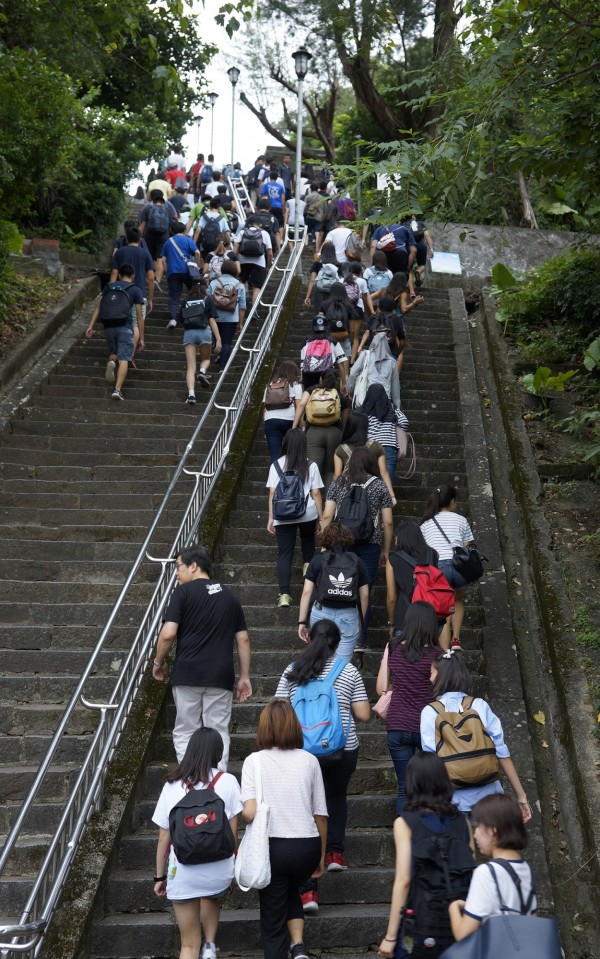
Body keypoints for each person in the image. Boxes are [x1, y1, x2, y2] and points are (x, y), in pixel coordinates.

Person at [276, 620, 370, 913]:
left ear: (309, 639)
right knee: (335, 798)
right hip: (342, 749)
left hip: (301, 753)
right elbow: (364, 714)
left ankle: (307, 893)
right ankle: (334, 855)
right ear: (337, 643)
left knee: (305, 812)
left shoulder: (293, 671)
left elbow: (278, 712)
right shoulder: (348, 670)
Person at [241, 699, 327, 959]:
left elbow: (250, 813)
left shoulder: (253, 761)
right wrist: (321, 856)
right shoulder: (310, 760)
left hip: (273, 848)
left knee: (272, 918)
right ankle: (298, 948)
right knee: (290, 890)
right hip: (307, 846)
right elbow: (320, 814)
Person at [152, 545, 252, 766]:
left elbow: (168, 634)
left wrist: (159, 661)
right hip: (220, 676)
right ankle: (217, 782)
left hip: (187, 673)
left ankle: (190, 782)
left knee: (186, 730)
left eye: (178, 567)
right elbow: (243, 640)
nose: (176, 573)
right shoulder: (230, 597)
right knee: (218, 730)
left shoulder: (182, 593)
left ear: (193, 566)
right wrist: (244, 677)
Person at [152, 728, 242, 959]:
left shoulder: (172, 785)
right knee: (211, 891)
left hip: (182, 872)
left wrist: (160, 878)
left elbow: (164, 838)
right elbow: (232, 835)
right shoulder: (229, 781)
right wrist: (232, 873)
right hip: (219, 870)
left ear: (190, 750)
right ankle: (210, 945)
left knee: (189, 945)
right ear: (218, 752)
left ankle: (201, 947)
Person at [377, 752, 475, 959]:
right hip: (460, 918)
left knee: (408, 951)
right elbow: (471, 868)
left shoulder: (404, 823)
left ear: (412, 782)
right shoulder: (462, 822)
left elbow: (404, 881)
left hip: (419, 919)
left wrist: (391, 936)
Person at [420, 654, 533, 822]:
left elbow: (431, 759)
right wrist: (521, 796)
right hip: (489, 798)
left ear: (441, 676)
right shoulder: (480, 705)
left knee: (462, 847)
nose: (429, 678)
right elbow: (502, 752)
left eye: (431, 672)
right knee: (492, 846)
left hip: (451, 801)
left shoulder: (430, 712)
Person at [321, 446, 393, 651]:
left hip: (340, 543)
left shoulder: (338, 483)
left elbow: (327, 516)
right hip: (370, 545)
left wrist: (325, 544)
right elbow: (387, 522)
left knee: (337, 588)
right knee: (364, 591)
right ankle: (359, 639)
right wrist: (385, 550)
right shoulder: (379, 485)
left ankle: (333, 637)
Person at [376, 602, 443, 813]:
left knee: (404, 789)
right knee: (429, 787)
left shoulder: (393, 647)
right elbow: (442, 693)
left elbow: (381, 688)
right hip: (427, 729)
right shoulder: (438, 654)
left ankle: (404, 838)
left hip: (397, 726)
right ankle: (426, 835)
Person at [448, 793, 536, 941]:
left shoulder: (486, 873)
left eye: (479, 827)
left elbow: (463, 934)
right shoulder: (526, 870)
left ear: (493, 830)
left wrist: (453, 907)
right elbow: (531, 920)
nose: (475, 834)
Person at [266, 428, 324, 608]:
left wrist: (271, 517)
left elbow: (272, 493)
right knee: (307, 538)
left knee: (284, 553)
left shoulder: (276, 465)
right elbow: (316, 493)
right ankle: (307, 565)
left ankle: (284, 595)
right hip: (306, 513)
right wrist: (321, 519)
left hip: (282, 514)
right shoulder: (310, 465)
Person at [298, 523, 369, 661]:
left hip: (321, 614)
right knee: (341, 666)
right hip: (348, 615)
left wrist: (302, 622)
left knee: (318, 660)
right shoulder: (357, 561)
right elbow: (365, 595)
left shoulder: (318, 560)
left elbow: (306, 592)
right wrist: (361, 620)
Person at [420, 484, 476, 651]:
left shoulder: (426, 523)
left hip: (438, 568)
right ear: (452, 501)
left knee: (443, 608)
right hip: (458, 566)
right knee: (458, 600)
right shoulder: (461, 519)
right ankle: (456, 639)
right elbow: (467, 547)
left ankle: (445, 651)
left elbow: (424, 550)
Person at [84, 264, 144, 402]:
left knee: (114, 351)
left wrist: (90, 326)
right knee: (124, 357)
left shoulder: (109, 287)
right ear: (133, 275)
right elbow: (139, 316)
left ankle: (112, 361)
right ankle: (117, 390)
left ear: (119, 275)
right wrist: (141, 337)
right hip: (124, 325)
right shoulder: (135, 289)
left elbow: (99, 307)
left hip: (108, 326)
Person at [386, 521, 442, 638]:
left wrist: (392, 623)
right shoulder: (433, 554)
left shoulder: (393, 560)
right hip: (429, 617)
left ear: (400, 537)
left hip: (404, 618)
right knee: (427, 656)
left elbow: (391, 598)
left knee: (403, 655)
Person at [293, 366, 346, 490]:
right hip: (334, 432)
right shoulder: (337, 394)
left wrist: (294, 426)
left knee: (313, 469)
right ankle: (329, 502)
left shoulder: (312, 390)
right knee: (330, 470)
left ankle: (313, 502)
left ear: (321, 379)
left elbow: (301, 404)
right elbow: (344, 417)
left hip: (313, 433)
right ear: (336, 380)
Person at [333, 409, 396, 505]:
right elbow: (384, 472)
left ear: (349, 426)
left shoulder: (340, 449)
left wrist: (334, 496)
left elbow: (337, 476)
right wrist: (392, 496)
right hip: (371, 489)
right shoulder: (376, 446)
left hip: (348, 491)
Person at [110, 227, 154, 358]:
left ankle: (117, 352)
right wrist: (150, 298)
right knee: (136, 324)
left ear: (127, 239)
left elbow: (114, 272)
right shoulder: (146, 253)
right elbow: (151, 277)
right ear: (140, 240)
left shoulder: (120, 252)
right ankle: (129, 354)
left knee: (120, 322)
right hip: (139, 293)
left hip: (120, 294)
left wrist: (111, 290)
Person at [177, 279, 221, 401]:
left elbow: (180, 320)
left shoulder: (185, 301)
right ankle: (202, 371)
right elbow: (212, 320)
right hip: (204, 332)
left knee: (190, 367)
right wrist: (218, 339)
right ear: (204, 287)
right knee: (206, 359)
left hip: (189, 333)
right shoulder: (207, 299)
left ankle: (191, 395)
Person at [156, 222, 202, 330]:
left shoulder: (168, 242)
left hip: (173, 272)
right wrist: (197, 266)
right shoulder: (188, 240)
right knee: (194, 293)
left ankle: (173, 319)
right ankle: (191, 317)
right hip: (188, 271)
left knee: (173, 297)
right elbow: (198, 253)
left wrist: (168, 271)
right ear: (184, 230)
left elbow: (163, 259)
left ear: (171, 230)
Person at [360, 383, 409, 481]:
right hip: (389, 447)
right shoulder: (391, 407)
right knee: (387, 479)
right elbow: (404, 422)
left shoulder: (365, 408)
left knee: (369, 480)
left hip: (370, 447)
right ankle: (387, 495)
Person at [207, 259, 246, 369]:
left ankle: (220, 357)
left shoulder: (214, 283)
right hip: (231, 319)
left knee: (217, 339)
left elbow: (208, 301)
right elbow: (242, 306)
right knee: (227, 342)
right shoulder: (240, 285)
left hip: (215, 318)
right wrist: (240, 322)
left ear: (222, 269)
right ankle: (223, 367)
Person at [348, 331, 401, 409]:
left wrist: (350, 389)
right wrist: (397, 407)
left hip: (366, 397)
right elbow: (395, 387)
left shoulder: (365, 355)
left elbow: (353, 373)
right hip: (384, 401)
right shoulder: (392, 362)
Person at [263, 360, 303, 463]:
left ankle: (276, 477)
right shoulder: (295, 385)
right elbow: (299, 406)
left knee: (275, 453)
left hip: (270, 420)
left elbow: (265, 407)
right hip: (289, 420)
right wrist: (301, 424)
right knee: (291, 452)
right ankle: (289, 476)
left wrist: (265, 425)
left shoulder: (270, 385)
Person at [298, 314, 349, 391]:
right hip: (327, 375)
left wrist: (302, 381)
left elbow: (303, 364)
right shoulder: (332, 341)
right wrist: (344, 383)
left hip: (309, 376)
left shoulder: (306, 341)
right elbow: (341, 362)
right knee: (328, 397)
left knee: (309, 399)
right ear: (327, 327)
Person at [233, 213, 273, 310]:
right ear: (260, 224)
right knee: (257, 287)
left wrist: (236, 260)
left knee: (243, 281)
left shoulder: (242, 232)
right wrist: (268, 266)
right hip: (259, 262)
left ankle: (245, 297)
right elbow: (270, 252)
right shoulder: (264, 233)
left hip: (243, 261)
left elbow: (235, 248)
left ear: (249, 223)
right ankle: (254, 310)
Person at [320, 281, 360, 361]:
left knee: (328, 361)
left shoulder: (324, 304)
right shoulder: (349, 306)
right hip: (344, 337)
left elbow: (320, 322)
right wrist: (349, 338)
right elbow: (352, 330)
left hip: (328, 337)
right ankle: (345, 374)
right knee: (344, 360)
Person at [139, 191, 175, 272]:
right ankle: (157, 281)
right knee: (160, 257)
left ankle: (149, 278)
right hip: (164, 235)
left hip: (149, 234)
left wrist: (138, 238)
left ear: (151, 197)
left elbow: (143, 223)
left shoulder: (147, 206)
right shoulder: (169, 205)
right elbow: (174, 220)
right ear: (163, 196)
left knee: (149, 256)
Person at [304, 242, 342, 313]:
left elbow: (312, 280)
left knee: (320, 312)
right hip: (333, 292)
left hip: (319, 291)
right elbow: (341, 280)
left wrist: (308, 296)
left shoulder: (317, 263)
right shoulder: (338, 265)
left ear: (323, 251)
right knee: (332, 313)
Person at [402, 214, 433, 287]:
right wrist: (431, 248)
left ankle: (408, 287)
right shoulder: (421, 223)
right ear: (413, 217)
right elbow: (427, 235)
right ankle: (418, 271)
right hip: (421, 245)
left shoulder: (403, 225)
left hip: (409, 247)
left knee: (409, 267)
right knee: (422, 265)